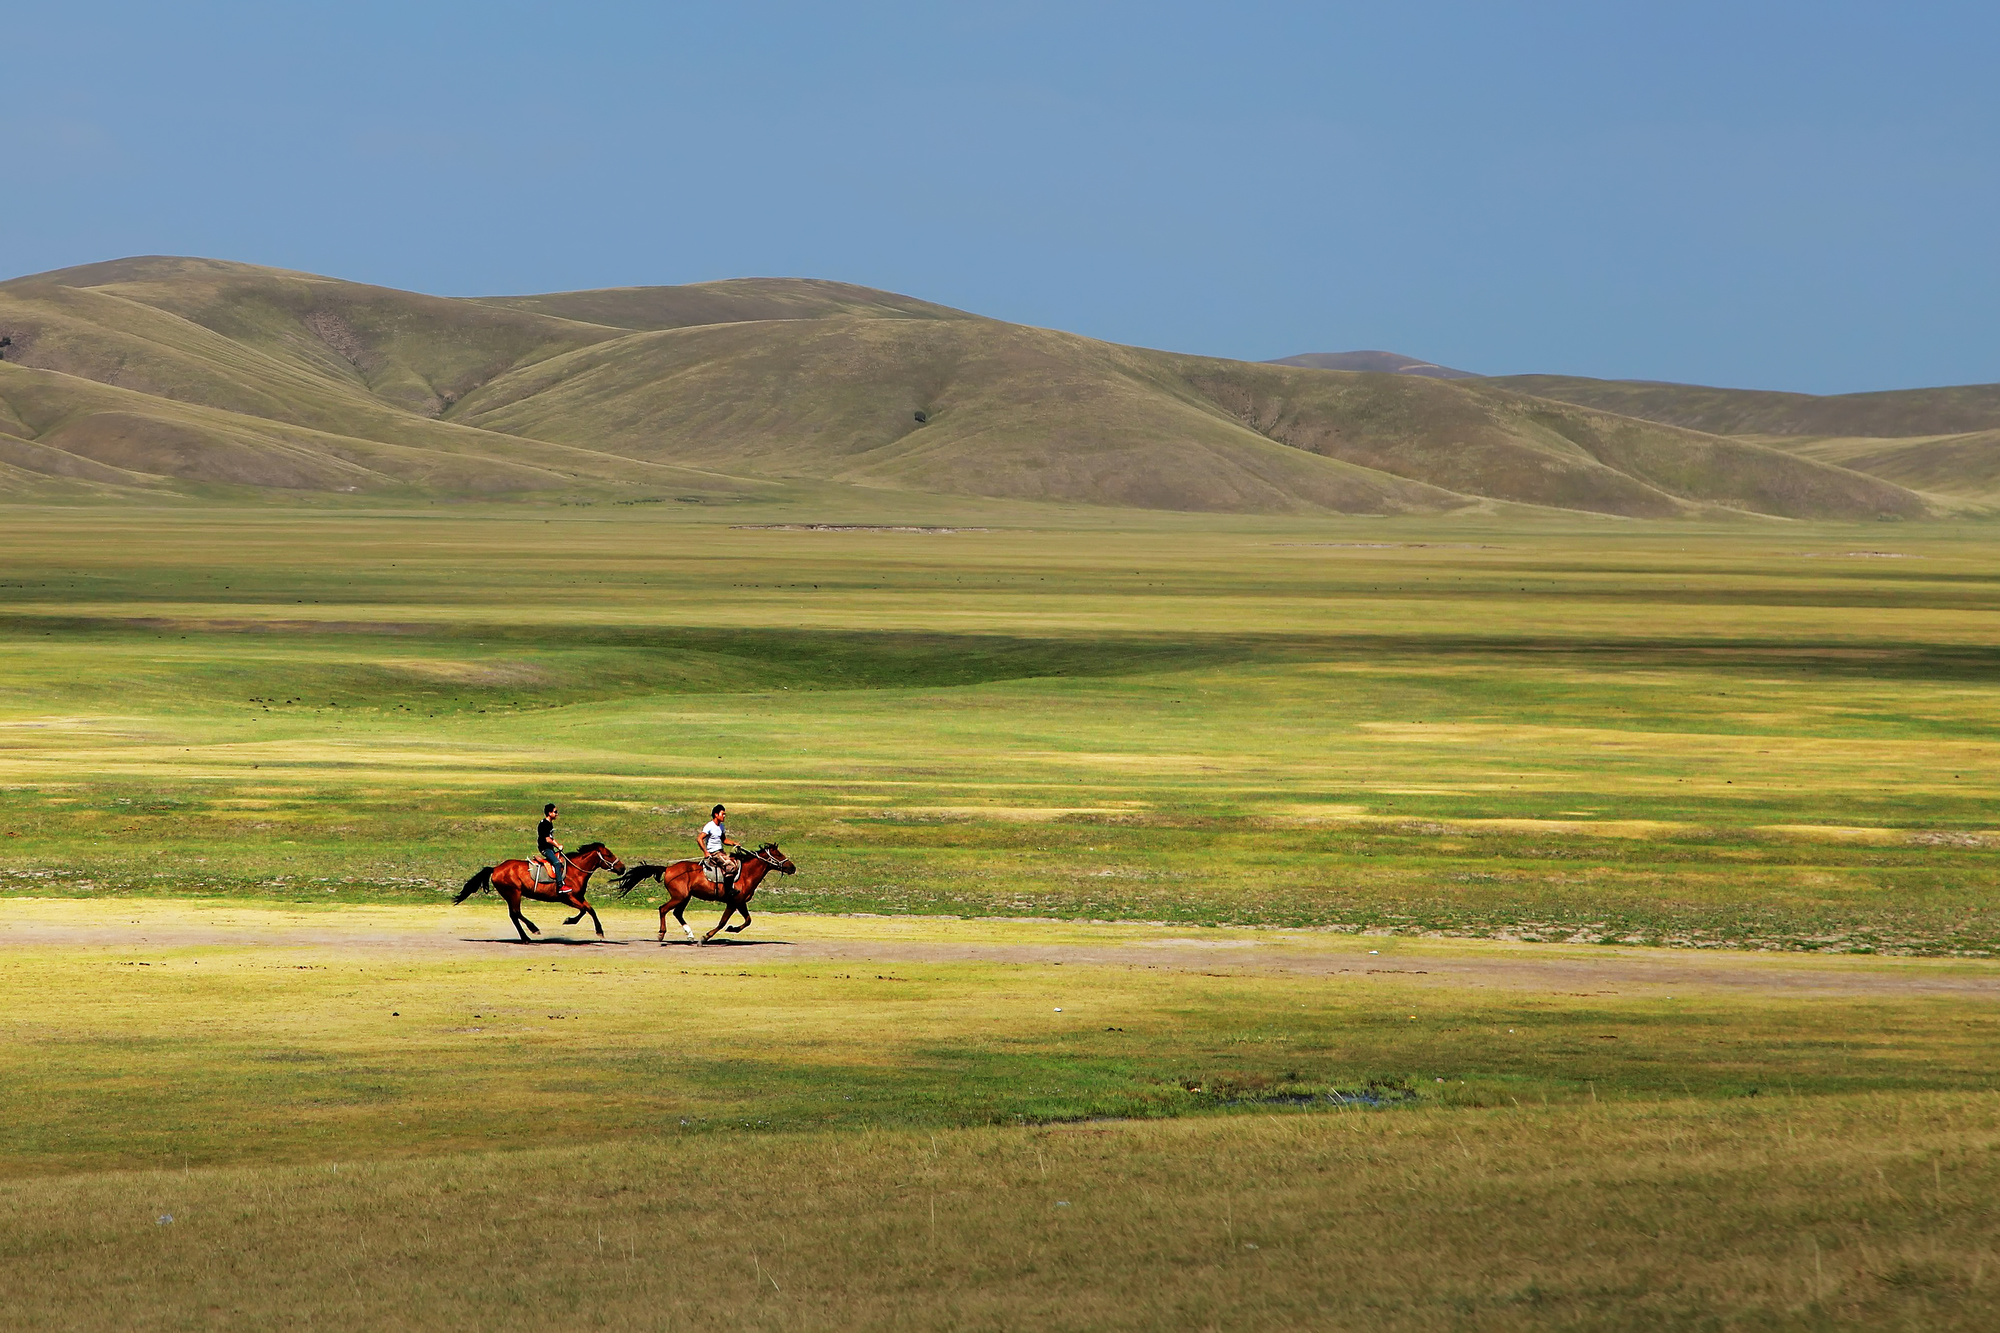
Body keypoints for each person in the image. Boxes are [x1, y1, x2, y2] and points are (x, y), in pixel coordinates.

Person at [696, 804, 742, 882]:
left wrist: (733, 843)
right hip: (714, 853)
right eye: (722, 814)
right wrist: (706, 852)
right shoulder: (709, 826)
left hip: (721, 852)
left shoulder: (721, 826)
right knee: (731, 866)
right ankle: (727, 890)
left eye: (724, 814)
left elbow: (724, 840)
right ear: (716, 815)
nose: (724, 816)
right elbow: (699, 838)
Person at [536, 803, 568, 890]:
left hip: (549, 848)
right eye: (555, 812)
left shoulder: (549, 823)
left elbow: (551, 838)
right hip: (545, 848)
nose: (557, 814)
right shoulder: (545, 824)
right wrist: (558, 846)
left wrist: (557, 845)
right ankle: (560, 885)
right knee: (557, 863)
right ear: (550, 813)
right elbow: (548, 839)